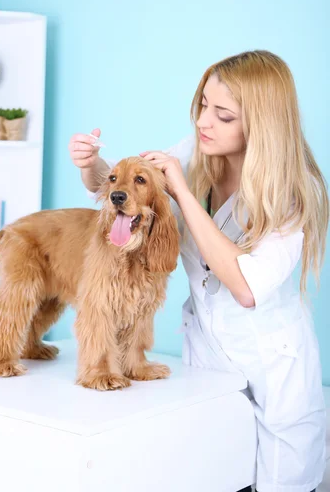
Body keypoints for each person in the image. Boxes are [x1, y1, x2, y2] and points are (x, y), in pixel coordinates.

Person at [68, 50, 329, 492]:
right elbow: (123, 187)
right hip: (205, 355)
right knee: (207, 473)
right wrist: (90, 164)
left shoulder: (292, 195)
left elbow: (246, 288)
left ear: (261, 124)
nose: (204, 122)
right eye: (203, 105)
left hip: (272, 364)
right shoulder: (193, 151)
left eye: (223, 115)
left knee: (281, 480)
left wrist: (183, 193)